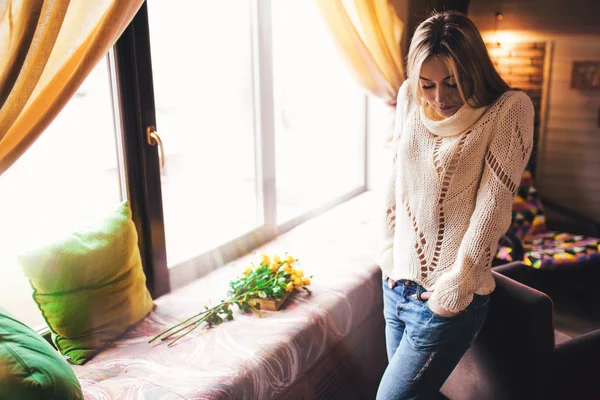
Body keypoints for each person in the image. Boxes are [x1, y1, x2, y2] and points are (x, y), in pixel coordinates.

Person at [376, 10, 534, 399]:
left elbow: (492, 209)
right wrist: (387, 252)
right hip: (396, 286)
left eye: (452, 82)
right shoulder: (409, 98)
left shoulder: (508, 109)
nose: (440, 97)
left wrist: (455, 288)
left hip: (446, 298)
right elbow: (398, 183)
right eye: (427, 84)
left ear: (473, 70)